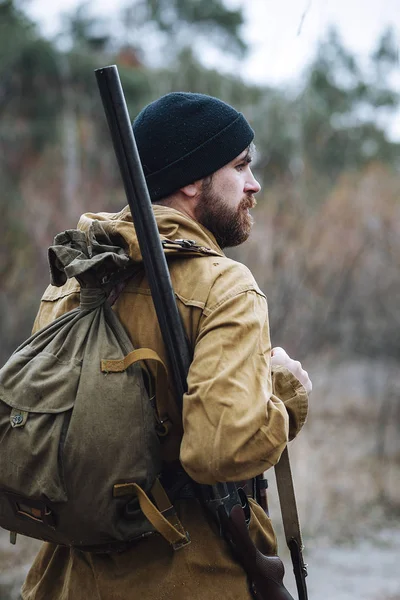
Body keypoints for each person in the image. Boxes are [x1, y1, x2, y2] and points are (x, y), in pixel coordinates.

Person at [21, 92, 311, 600]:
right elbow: (221, 449)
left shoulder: (72, 280)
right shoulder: (227, 287)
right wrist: (283, 391)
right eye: (240, 166)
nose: (253, 184)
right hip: (189, 576)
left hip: (66, 579)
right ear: (192, 180)